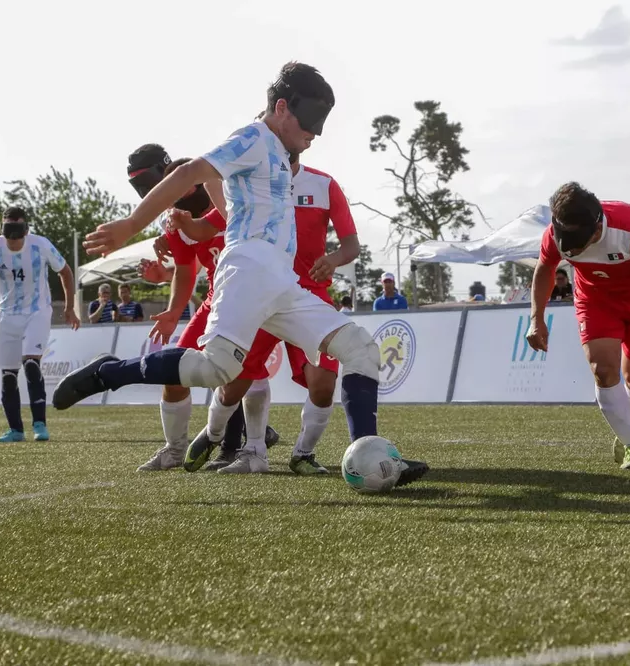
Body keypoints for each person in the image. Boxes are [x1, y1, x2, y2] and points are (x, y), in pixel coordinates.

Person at [54, 61, 428, 487]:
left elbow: (225, 199)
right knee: (217, 371)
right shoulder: (254, 137)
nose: (314, 136)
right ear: (282, 107)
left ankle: (371, 456)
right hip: (249, 268)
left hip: (282, 280)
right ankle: (109, 372)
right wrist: (130, 225)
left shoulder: (281, 152)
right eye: (309, 126)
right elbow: (189, 172)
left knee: (361, 349)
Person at [128, 153, 279, 472]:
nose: (174, 193)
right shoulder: (173, 221)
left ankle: (250, 446)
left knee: (250, 373)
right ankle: (175, 449)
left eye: (180, 184)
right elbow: (185, 270)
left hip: (259, 296)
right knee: (174, 369)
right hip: (216, 299)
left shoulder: (233, 204)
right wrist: (172, 311)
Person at [230, 151, 360, 475]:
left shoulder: (324, 184)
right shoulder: (248, 185)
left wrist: (333, 259)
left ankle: (302, 454)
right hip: (262, 294)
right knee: (243, 374)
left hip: (309, 297)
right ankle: (254, 452)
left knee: (324, 382)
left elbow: (351, 245)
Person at [526, 183, 630, 470]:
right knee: (603, 370)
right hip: (595, 303)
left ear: (597, 227)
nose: (573, 251)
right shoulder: (554, 236)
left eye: (579, 244)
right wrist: (536, 319)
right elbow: (544, 269)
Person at [0, 206, 80, 443]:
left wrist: (69, 307)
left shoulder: (40, 245)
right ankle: (15, 430)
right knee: (8, 375)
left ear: (27, 229)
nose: (14, 240)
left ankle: (40, 425)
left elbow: (65, 271)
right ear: (1, 229)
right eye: (8, 232)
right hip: (6, 315)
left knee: (31, 363)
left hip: (37, 311)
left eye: (18, 232)